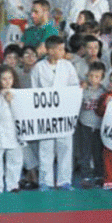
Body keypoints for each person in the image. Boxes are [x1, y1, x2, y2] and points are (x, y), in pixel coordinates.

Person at [31, 36, 79, 190]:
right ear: (50, 50)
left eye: (63, 48)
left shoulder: (68, 66)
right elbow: (34, 91)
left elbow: (74, 87)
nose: (62, 51)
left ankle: (65, 180)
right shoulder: (38, 67)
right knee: (46, 147)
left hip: (64, 113)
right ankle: (45, 181)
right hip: (45, 113)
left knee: (65, 146)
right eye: (59, 49)